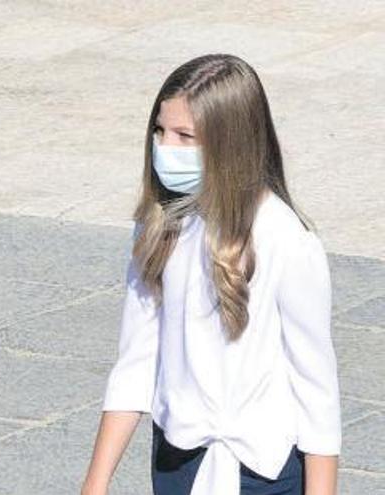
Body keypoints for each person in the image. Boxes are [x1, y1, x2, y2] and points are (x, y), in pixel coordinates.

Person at [81, 54, 340, 495]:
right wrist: (96, 481)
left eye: (186, 137)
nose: (167, 149)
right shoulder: (160, 226)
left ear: (230, 143)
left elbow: (316, 388)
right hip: (178, 463)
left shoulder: (286, 240)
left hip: (263, 472)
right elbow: (135, 362)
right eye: (160, 132)